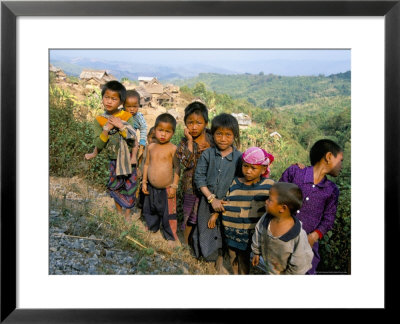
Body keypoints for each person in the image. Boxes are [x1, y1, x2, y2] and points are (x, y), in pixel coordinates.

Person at [279, 139, 343, 274]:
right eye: (340, 160)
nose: (341, 165)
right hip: (282, 241)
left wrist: (314, 236)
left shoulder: (332, 190)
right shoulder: (295, 172)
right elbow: (277, 197)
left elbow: (328, 219)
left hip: (308, 247)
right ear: (329, 156)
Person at [208, 147, 275, 274]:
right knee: (233, 256)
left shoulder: (269, 185)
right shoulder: (233, 182)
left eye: (253, 168)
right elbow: (223, 199)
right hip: (230, 231)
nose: (248, 171)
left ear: (263, 169)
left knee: (244, 258)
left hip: (250, 233)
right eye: (245, 166)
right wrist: (215, 214)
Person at [193, 113, 242, 273]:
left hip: (228, 204)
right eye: (219, 134)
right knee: (204, 229)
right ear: (212, 134)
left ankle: (219, 258)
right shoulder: (207, 154)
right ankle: (203, 258)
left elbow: (239, 182)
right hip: (207, 201)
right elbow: (199, 177)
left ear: (235, 136)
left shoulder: (239, 158)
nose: (223, 138)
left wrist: (222, 202)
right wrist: (211, 198)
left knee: (223, 233)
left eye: (228, 135)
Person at [87, 80, 138, 221]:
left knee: (130, 186)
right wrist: (106, 130)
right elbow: (98, 143)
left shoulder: (127, 117)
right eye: (106, 97)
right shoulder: (99, 120)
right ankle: (119, 212)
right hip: (113, 161)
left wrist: (121, 127)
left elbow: (132, 137)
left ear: (121, 102)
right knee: (115, 187)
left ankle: (127, 215)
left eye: (114, 99)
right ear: (102, 97)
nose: (109, 101)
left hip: (127, 159)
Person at [251, 182, 313, 275]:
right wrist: (256, 252)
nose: (266, 201)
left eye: (270, 200)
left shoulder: (297, 235)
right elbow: (258, 232)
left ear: (283, 208)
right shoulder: (266, 219)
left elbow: (299, 263)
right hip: (270, 268)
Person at [176, 101, 214, 245]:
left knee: (203, 216)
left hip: (209, 186)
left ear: (205, 123)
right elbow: (187, 163)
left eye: (198, 123)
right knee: (189, 216)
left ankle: (200, 244)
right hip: (190, 187)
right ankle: (185, 243)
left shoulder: (212, 138)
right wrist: (191, 142)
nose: (194, 126)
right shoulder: (184, 143)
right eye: (190, 122)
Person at [142, 113, 180, 244]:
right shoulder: (151, 147)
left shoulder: (173, 149)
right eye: (160, 130)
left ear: (173, 133)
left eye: (167, 131)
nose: (163, 134)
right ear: (155, 130)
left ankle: (170, 235)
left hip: (167, 188)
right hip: (151, 187)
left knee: (168, 213)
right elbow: (146, 164)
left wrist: (174, 186)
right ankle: (152, 227)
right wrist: (144, 182)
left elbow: (177, 169)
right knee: (150, 209)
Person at [85, 89, 146, 166]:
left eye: (135, 106)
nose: (132, 109)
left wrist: (143, 140)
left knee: (135, 142)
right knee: (104, 137)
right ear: (123, 105)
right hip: (119, 134)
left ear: (139, 105)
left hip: (131, 134)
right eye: (129, 106)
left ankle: (133, 158)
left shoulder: (139, 117)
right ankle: (94, 153)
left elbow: (143, 128)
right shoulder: (121, 113)